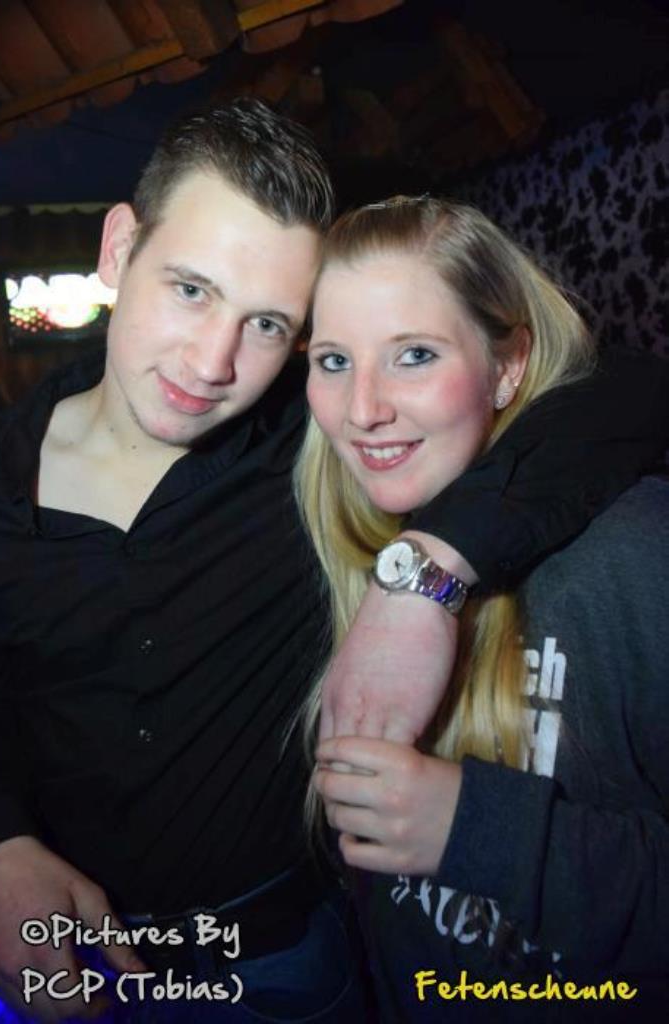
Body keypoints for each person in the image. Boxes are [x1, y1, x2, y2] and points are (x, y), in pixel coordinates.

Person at [0, 102, 667, 1024]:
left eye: (269, 325)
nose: (214, 362)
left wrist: (424, 574)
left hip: (288, 965)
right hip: (72, 962)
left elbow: (620, 389)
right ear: (119, 250)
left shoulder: (315, 452)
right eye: (191, 289)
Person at [306, 195, 669, 1021]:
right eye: (332, 360)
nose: (362, 409)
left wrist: (478, 830)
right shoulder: (335, 547)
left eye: (413, 355)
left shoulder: (635, 554)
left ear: (508, 366)